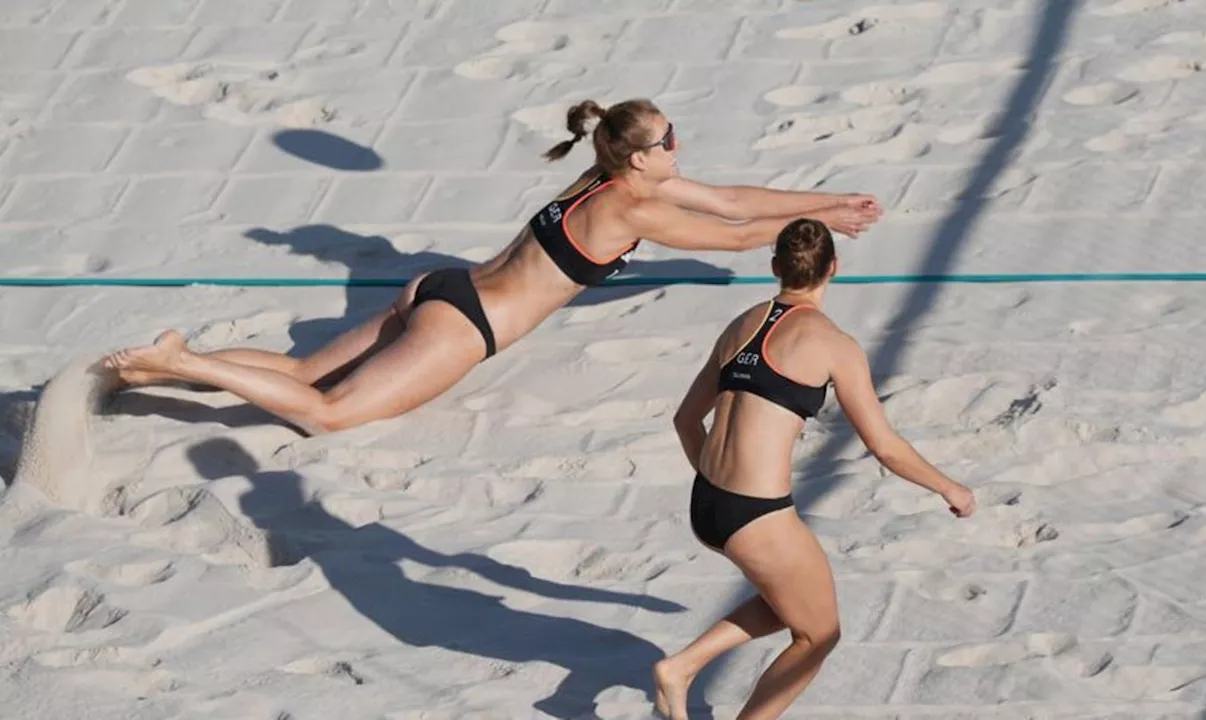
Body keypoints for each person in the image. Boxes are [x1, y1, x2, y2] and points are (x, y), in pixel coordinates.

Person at [99, 98, 883, 435]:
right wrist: (817, 220)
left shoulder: (603, 179)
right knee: (325, 414)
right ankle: (186, 359)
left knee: (305, 371)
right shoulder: (633, 208)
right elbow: (741, 232)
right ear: (643, 156)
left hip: (439, 288)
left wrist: (831, 201)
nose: (679, 146)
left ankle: (152, 372)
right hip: (462, 325)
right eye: (670, 139)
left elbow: (734, 198)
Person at [651, 218, 977, 720]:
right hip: (755, 513)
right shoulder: (833, 344)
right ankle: (695, 681)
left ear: (776, 267)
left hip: (706, 502)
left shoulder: (741, 324)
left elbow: (685, 420)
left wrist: (719, 486)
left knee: (793, 602)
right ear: (834, 269)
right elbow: (884, 447)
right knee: (818, 635)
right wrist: (949, 488)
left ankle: (683, 667)